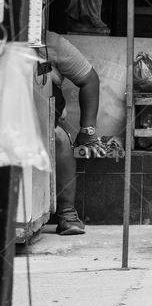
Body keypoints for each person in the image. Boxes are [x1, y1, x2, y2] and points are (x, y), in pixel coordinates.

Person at [46, 31, 106, 235]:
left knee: (60, 139)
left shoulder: (50, 43)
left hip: (42, 123)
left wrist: (87, 131)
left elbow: (90, 79)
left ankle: (66, 212)